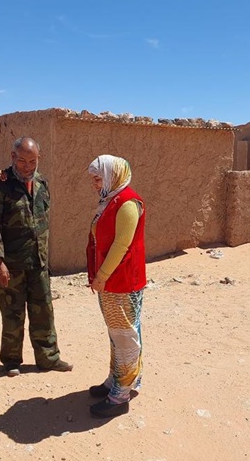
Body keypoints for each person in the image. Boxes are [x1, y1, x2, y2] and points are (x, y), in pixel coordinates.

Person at [0, 137, 72, 377]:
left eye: (32, 161)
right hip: (11, 264)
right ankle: (11, 361)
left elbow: (42, 218)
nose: (26, 166)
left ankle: (49, 358)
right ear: (13, 157)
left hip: (39, 262)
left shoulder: (42, 182)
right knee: (12, 314)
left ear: (39, 159)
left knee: (44, 312)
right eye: (22, 160)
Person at [86, 155, 146, 418]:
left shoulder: (128, 203)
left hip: (121, 281)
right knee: (117, 333)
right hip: (111, 281)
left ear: (113, 176)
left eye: (98, 179)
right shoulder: (111, 201)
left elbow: (122, 245)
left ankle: (121, 394)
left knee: (124, 336)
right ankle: (117, 380)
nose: (95, 184)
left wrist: (101, 276)